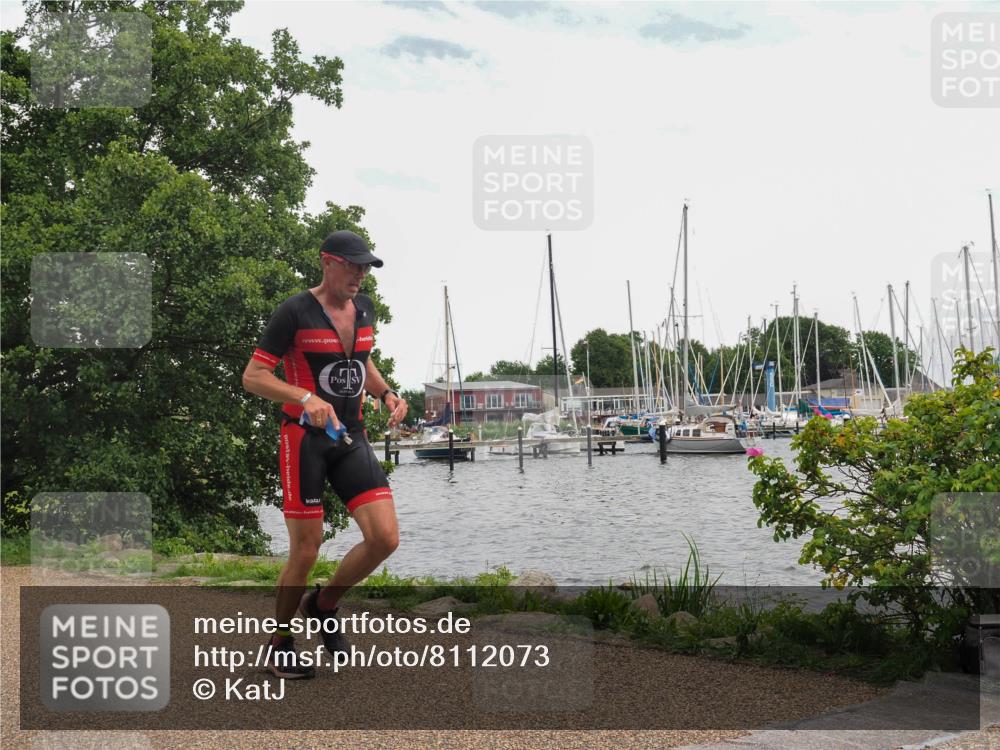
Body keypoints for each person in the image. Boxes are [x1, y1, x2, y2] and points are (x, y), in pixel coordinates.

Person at [242, 230, 408, 679]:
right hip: (304, 440)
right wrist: (303, 397)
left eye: (365, 266)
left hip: (350, 437)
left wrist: (387, 393)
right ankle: (279, 644)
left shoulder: (365, 308)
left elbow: (362, 360)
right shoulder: (294, 311)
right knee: (306, 550)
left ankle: (323, 603)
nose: (360, 273)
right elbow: (253, 376)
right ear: (327, 262)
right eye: (352, 264)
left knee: (385, 538)